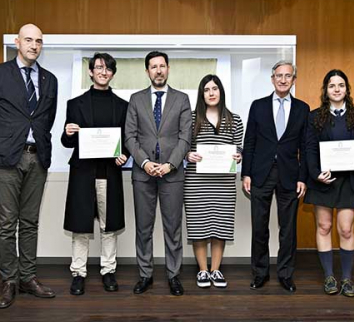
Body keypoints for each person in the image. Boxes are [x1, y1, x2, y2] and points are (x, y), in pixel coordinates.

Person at [0, 24, 58, 308]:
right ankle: (9, 280)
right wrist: (1, 143)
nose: (34, 45)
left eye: (39, 41)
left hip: (38, 158)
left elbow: (47, 119)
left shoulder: (50, 79)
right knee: (7, 223)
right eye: (29, 40)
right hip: (6, 159)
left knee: (31, 222)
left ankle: (28, 277)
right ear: (17, 42)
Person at [61, 53, 129, 296]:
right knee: (80, 226)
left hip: (109, 174)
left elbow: (127, 140)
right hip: (83, 174)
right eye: (99, 67)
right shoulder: (74, 104)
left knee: (109, 226)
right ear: (90, 72)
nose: (103, 72)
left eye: (108, 68)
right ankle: (78, 273)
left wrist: (125, 154)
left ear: (112, 73)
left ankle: (108, 270)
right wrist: (68, 132)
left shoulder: (123, 106)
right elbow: (67, 143)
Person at [125, 51, 192, 296]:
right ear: (147, 71)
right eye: (153, 67)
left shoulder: (182, 99)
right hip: (143, 175)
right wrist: (144, 163)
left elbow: (185, 138)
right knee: (143, 228)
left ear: (168, 69)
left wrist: (170, 165)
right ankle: (145, 275)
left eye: (162, 66)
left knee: (173, 227)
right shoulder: (135, 99)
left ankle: (174, 276)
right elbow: (130, 136)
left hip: (172, 175)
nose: (158, 70)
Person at [242, 60, 309, 293]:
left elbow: (306, 146)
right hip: (260, 174)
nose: (283, 79)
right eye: (279, 75)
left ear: (293, 80)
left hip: (290, 176)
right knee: (259, 227)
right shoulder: (258, 106)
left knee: (288, 228)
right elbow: (249, 142)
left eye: (287, 76)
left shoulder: (303, 108)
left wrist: (303, 177)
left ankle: (286, 274)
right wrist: (246, 173)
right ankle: (260, 273)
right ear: (272, 79)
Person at [304, 69, 354, 297]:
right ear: (326, 90)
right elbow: (310, 149)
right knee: (324, 227)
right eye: (332, 85)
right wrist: (315, 174)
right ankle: (329, 277)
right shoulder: (314, 116)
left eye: (340, 85)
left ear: (346, 89)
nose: (336, 89)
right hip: (324, 181)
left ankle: (347, 278)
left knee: (346, 229)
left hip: (348, 182)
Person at [184, 75, 243, 288]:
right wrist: (187, 155)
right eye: (207, 89)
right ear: (201, 94)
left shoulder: (234, 119)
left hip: (224, 184)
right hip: (196, 183)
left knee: (221, 226)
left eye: (215, 88)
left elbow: (239, 146)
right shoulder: (190, 119)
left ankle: (216, 270)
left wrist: (239, 155)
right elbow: (183, 146)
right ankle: (202, 271)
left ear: (221, 91)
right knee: (199, 227)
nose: (211, 93)